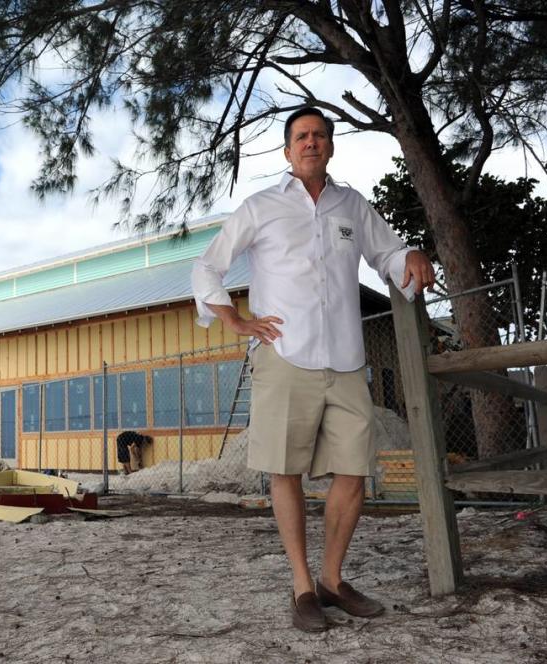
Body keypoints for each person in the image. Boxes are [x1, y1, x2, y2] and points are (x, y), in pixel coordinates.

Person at [191, 107, 435, 632]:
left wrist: (410, 255)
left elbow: (389, 256)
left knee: (355, 470)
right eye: (301, 136)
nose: (311, 142)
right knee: (284, 471)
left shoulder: (353, 205)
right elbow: (207, 265)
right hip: (285, 355)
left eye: (320, 135)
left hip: (346, 358)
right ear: (287, 150)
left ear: (330, 146)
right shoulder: (261, 207)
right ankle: (302, 586)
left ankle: (332, 578)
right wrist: (231, 315)